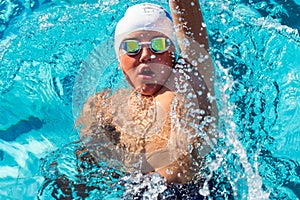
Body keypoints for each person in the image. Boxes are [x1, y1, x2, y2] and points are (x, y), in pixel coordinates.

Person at [78, 0, 217, 185]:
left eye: (158, 45)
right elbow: (83, 170)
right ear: (119, 60)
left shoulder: (184, 86)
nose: (145, 55)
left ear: (172, 54)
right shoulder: (105, 107)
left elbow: (191, 31)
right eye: (131, 47)